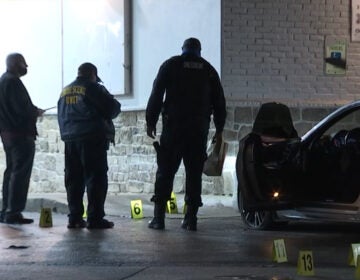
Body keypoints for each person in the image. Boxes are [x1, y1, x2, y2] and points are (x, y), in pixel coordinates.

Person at [146, 38, 226, 231]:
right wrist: (219, 128)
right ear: (199, 50)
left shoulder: (170, 65)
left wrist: (150, 121)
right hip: (198, 130)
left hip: (173, 128)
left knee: (165, 171)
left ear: (183, 49)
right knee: (194, 173)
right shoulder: (209, 70)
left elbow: (156, 94)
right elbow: (219, 102)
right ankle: (190, 219)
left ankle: (159, 219)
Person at [57, 62, 121, 229]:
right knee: (96, 178)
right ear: (92, 74)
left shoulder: (65, 90)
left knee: (73, 179)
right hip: (92, 138)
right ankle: (95, 218)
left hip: (70, 139)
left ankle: (75, 218)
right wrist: (109, 97)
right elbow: (113, 109)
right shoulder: (92, 87)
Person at [0, 53, 45, 224]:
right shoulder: (13, 82)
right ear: (15, 64)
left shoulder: (2, 81)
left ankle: (6, 210)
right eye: (23, 64)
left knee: (11, 172)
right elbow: (21, 109)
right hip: (20, 135)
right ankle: (13, 212)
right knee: (20, 174)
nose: (26, 67)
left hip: (7, 135)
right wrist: (36, 112)